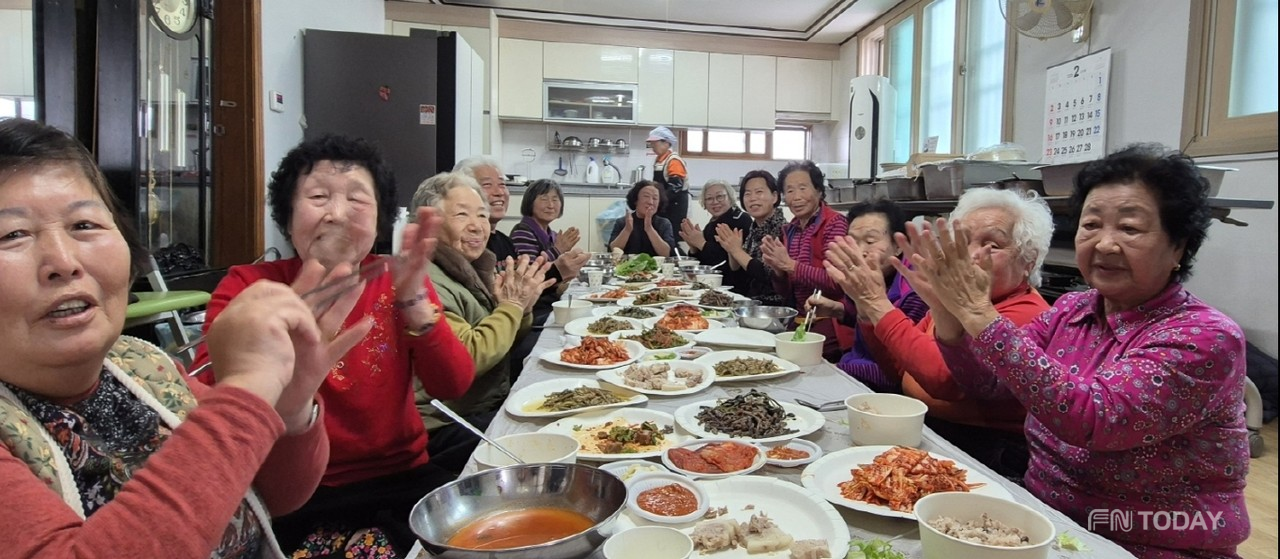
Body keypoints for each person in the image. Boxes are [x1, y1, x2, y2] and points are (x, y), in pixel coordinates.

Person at [0, 118, 363, 558]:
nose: (64, 261)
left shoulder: (145, 364)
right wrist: (247, 391)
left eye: (84, 226)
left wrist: (287, 406)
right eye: (12, 235)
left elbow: (273, 495)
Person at [914, 144, 1250, 558]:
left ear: (1179, 246)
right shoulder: (1073, 309)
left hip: (1151, 541)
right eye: (1091, 225)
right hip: (1041, 519)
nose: (1105, 244)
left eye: (1129, 229)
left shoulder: (1206, 336)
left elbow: (1094, 420)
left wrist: (977, 311)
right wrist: (946, 315)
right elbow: (988, 383)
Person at [193, 134, 476, 557]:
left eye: (357, 200)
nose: (337, 214)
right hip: (297, 495)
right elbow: (208, 404)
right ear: (287, 218)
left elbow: (453, 384)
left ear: (380, 220)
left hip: (403, 479)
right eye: (318, 196)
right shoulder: (250, 287)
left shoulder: (396, 280)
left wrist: (416, 303)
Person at [825, 188, 1052, 479]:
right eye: (962, 242)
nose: (970, 255)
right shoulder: (953, 300)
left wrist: (877, 304)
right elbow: (902, 370)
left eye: (992, 245)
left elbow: (944, 381)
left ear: (1028, 260)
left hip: (985, 454)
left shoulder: (1027, 313)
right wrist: (866, 309)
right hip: (927, 430)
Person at [409, 172, 553, 474]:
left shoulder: (466, 267)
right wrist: (512, 305)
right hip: (445, 425)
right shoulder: (421, 280)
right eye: (462, 215)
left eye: (482, 215)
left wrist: (521, 308)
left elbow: (501, 338)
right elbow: (468, 358)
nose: (478, 225)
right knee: (550, 445)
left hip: (480, 403)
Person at [806, 199, 929, 392]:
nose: (860, 251)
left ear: (898, 246)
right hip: (855, 367)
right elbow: (865, 320)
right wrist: (838, 310)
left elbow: (901, 372)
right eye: (853, 242)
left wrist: (838, 370)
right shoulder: (869, 276)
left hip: (880, 387)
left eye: (870, 241)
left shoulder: (914, 292)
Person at [762, 160, 848, 360]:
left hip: (832, 321)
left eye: (803, 188)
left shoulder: (835, 224)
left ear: (818, 191)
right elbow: (785, 293)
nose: (797, 197)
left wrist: (790, 265)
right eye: (790, 191)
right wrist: (778, 271)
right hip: (800, 318)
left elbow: (837, 282)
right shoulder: (790, 229)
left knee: (791, 358)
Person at [715, 170, 787, 306]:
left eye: (759, 192)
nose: (752, 198)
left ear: (775, 197)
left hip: (773, 308)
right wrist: (732, 251)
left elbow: (769, 276)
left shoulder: (783, 230)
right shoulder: (754, 230)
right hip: (749, 303)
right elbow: (739, 280)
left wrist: (737, 251)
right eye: (747, 194)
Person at [678, 179, 751, 288]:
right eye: (709, 198)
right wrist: (694, 248)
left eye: (720, 196)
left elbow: (725, 262)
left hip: (732, 286)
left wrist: (701, 243)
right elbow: (703, 264)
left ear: (730, 198)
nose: (715, 202)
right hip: (708, 284)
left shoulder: (741, 219)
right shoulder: (711, 225)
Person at [510, 178, 580, 262]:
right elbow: (528, 271)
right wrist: (558, 250)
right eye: (544, 199)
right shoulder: (522, 232)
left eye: (555, 199)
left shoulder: (553, 236)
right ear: (530, 202)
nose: (550, 205)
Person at [609, 180, 675, 257]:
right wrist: (627, 230)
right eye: (646, 196)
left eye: (655, 198)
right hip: (627, 266)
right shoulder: (623, 222)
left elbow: (667, 254)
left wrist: (649, 229)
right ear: (635, 200)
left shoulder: (664, 223)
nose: (650, 202)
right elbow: (613, 250)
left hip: (656, 267)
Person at [647, 126, 689, 227]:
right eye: (651, 144)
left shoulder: (674, 161)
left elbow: (675, 187)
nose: (652, 146)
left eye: (655, 143)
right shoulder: (660, 160)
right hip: (664, 204)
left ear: (666, 142)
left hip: (674, 206)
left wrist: (660, 200)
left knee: (671, 234)